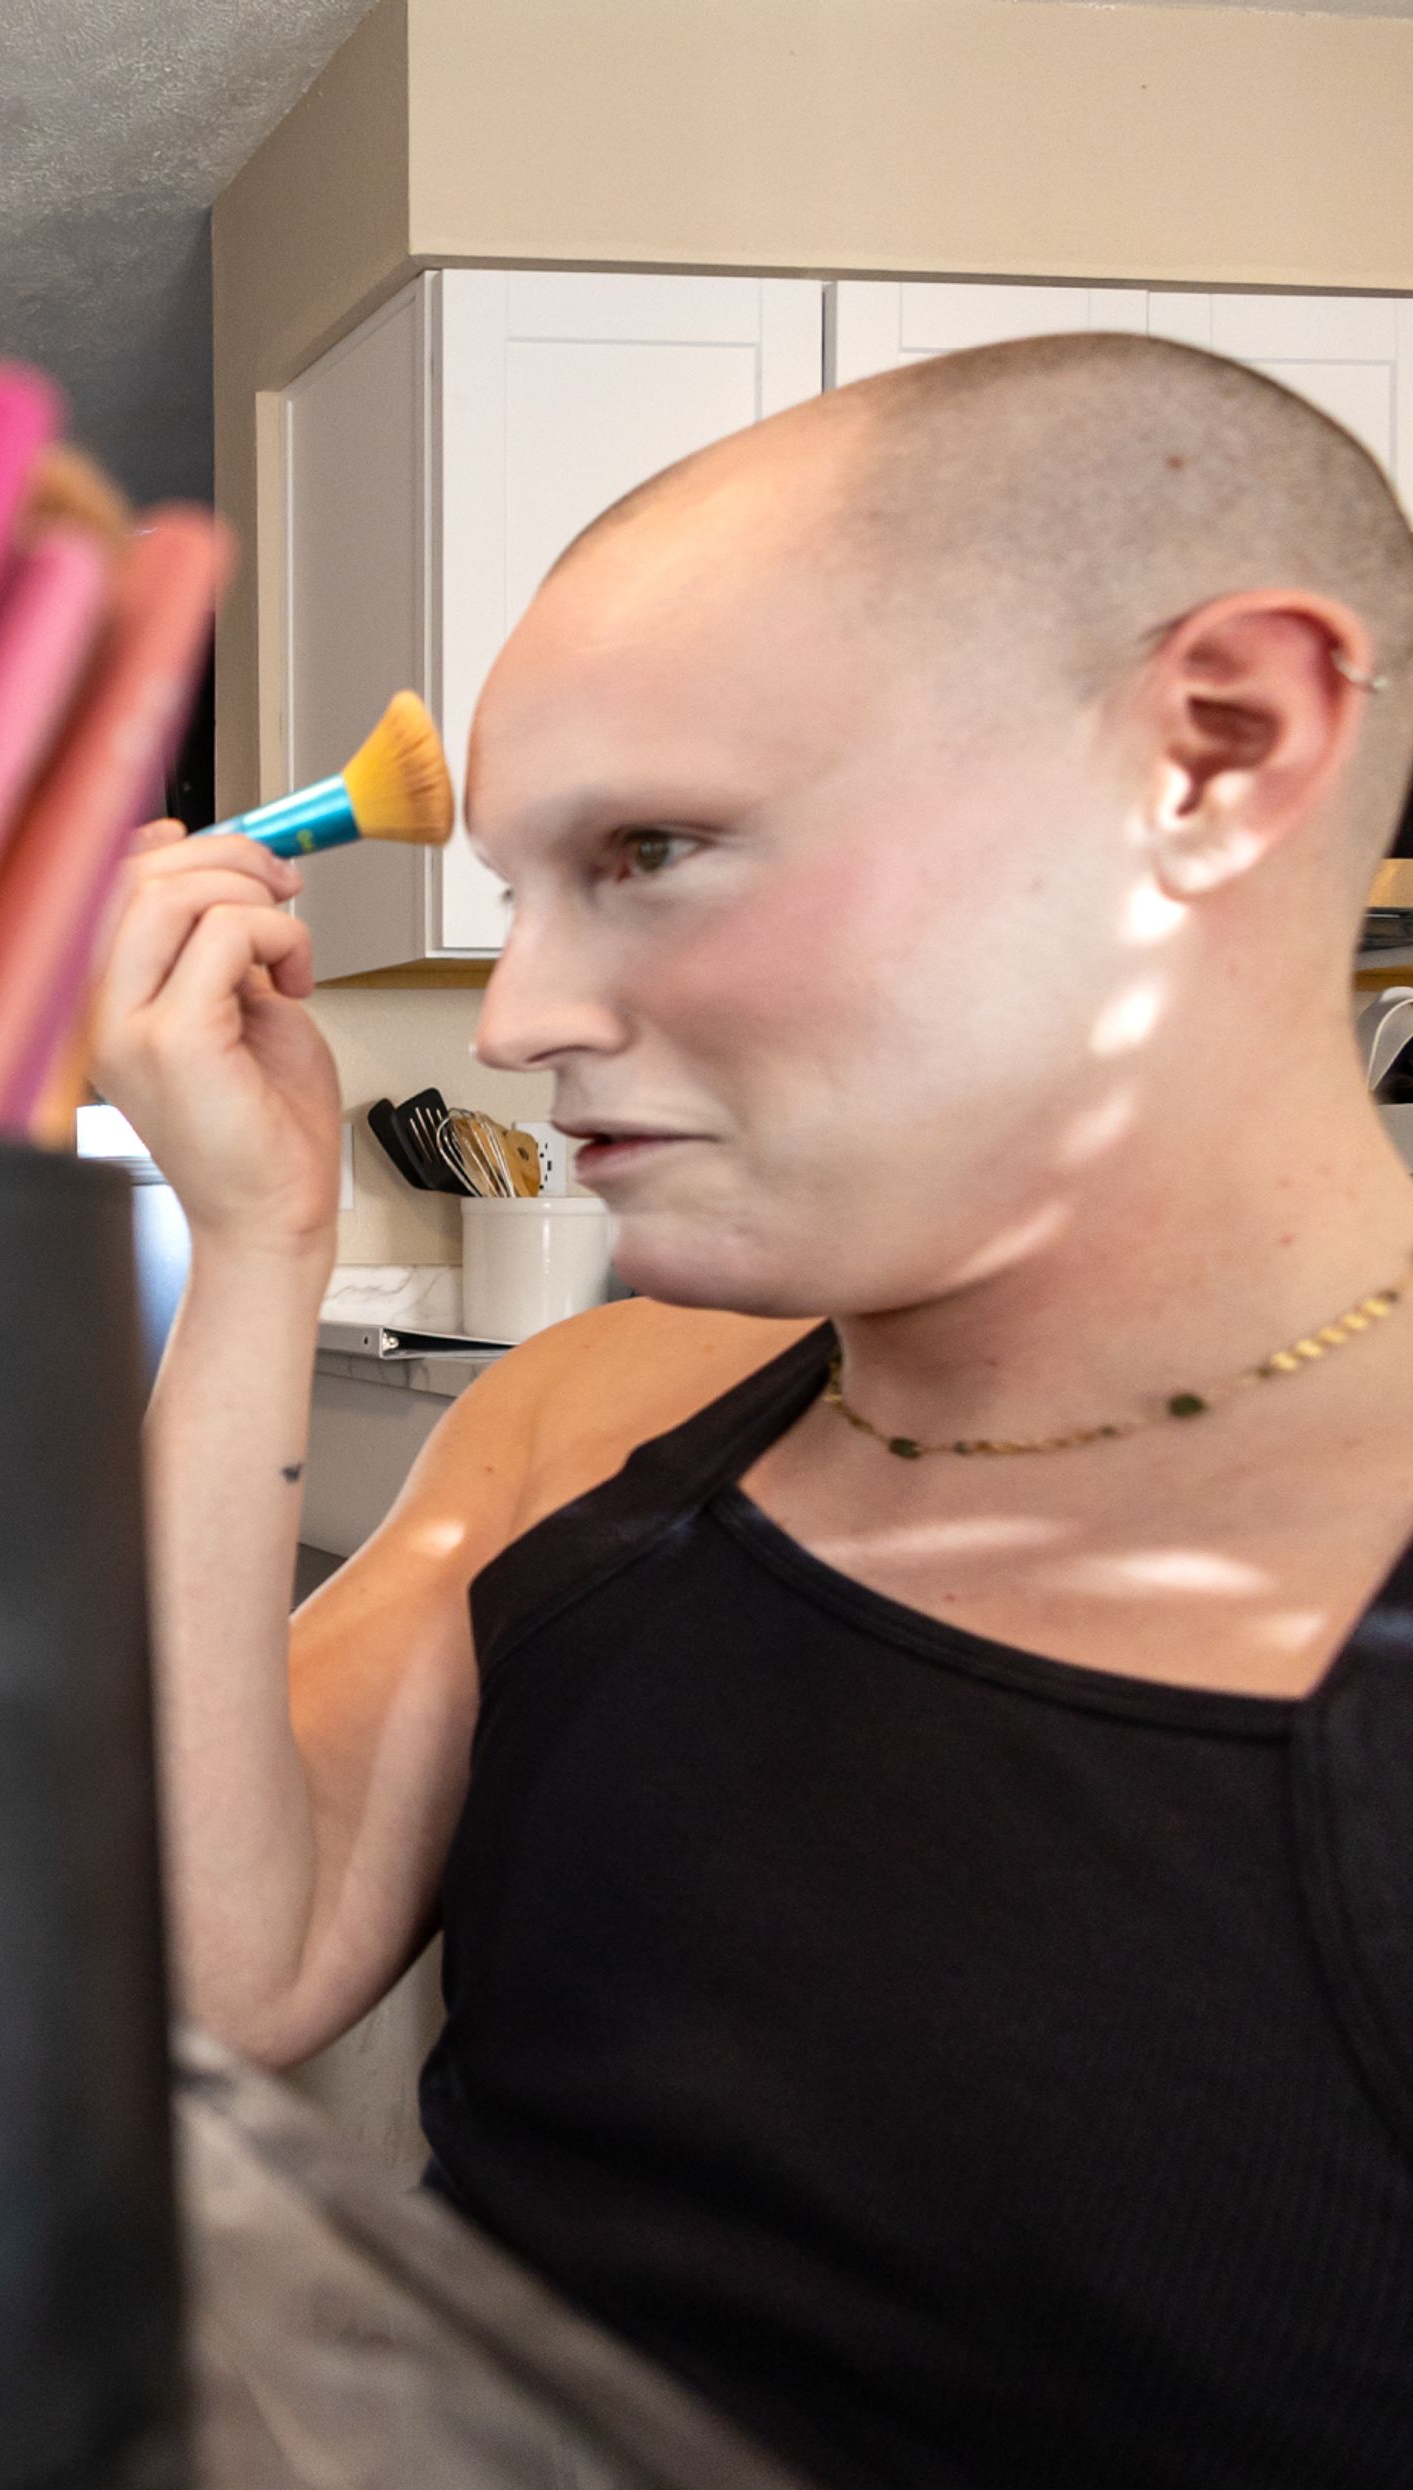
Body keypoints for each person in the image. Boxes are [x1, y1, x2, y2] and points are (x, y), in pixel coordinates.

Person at [96, 333, 1413, 2490]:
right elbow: (209, 1981)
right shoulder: (602, 1416)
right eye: (522, 888)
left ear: (1218, 747)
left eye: (653, 850)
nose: (521, 1014)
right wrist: (258, 1252)